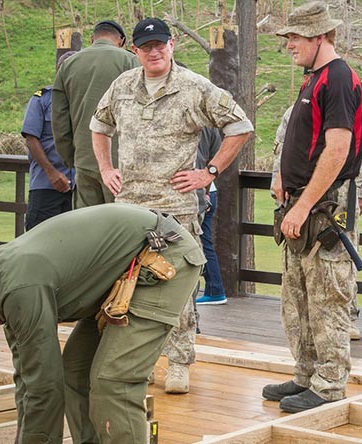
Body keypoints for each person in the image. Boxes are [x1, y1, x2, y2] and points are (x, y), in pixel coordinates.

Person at [0, 203, 205, 444]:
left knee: (113, 382)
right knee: (74, 373)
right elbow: (28, 379)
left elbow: (44, 387)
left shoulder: (18, 287)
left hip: (163, 258)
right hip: (119, 277)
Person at [89, 18, 253, 394]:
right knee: (126, 289)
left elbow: (240, 126)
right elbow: (99, 126)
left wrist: (209, 172)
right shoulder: (123, 86)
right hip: (128, 209)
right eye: (146, 47)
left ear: (173, 44)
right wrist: (106, 168)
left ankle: (179, 363)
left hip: (175, 209)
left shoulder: (194, 88)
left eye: (160, 44)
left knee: (178, 290)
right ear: (135, 51)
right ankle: (139, 362)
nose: (154, 51)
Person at [262, 1, 362, 413]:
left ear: (320, 37)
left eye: (295, 37)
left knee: (328, 298)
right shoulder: (315, 78)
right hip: (304, 204)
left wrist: (303, 206)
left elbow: (338, 150)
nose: (289, 44)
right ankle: (306, 374)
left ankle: (328, 383)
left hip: (323, 208)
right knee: (299, 296)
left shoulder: (338, 78)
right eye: (289, 37)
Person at [271, 104, 362, 339]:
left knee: (338, 260)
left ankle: (347, 317)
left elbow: (359, 152)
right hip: (295, 198)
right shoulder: (293, 113)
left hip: (337, 199)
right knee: (300, 262)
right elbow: (280, 152)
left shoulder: (342, 111)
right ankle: (307, 322)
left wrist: (360, 192)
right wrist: (279, 188)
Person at [52, 20, 139, 209]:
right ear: (121, 41)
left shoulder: (68, 65)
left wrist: (72, 158)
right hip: (122, 163)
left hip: (84, 160)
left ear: (92, 39)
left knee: (88, 228)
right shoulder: (130, 61)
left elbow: (59, 121)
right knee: (122, 227)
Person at [21, 51, 77, 231]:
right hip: (46, 184)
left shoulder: (86, 100)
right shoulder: (42, 99)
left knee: (75, 244)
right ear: (57, 71)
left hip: (79, 188)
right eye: (65, 69)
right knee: (37, 239)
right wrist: (51, 173)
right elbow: (31, 138)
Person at [195, 127, 228, 305]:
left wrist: (205, 194)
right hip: (208, 192)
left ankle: (215, 290)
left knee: (202, 243)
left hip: (203, 195)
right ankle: (214, 289)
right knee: (203, 242)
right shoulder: (210, 127)